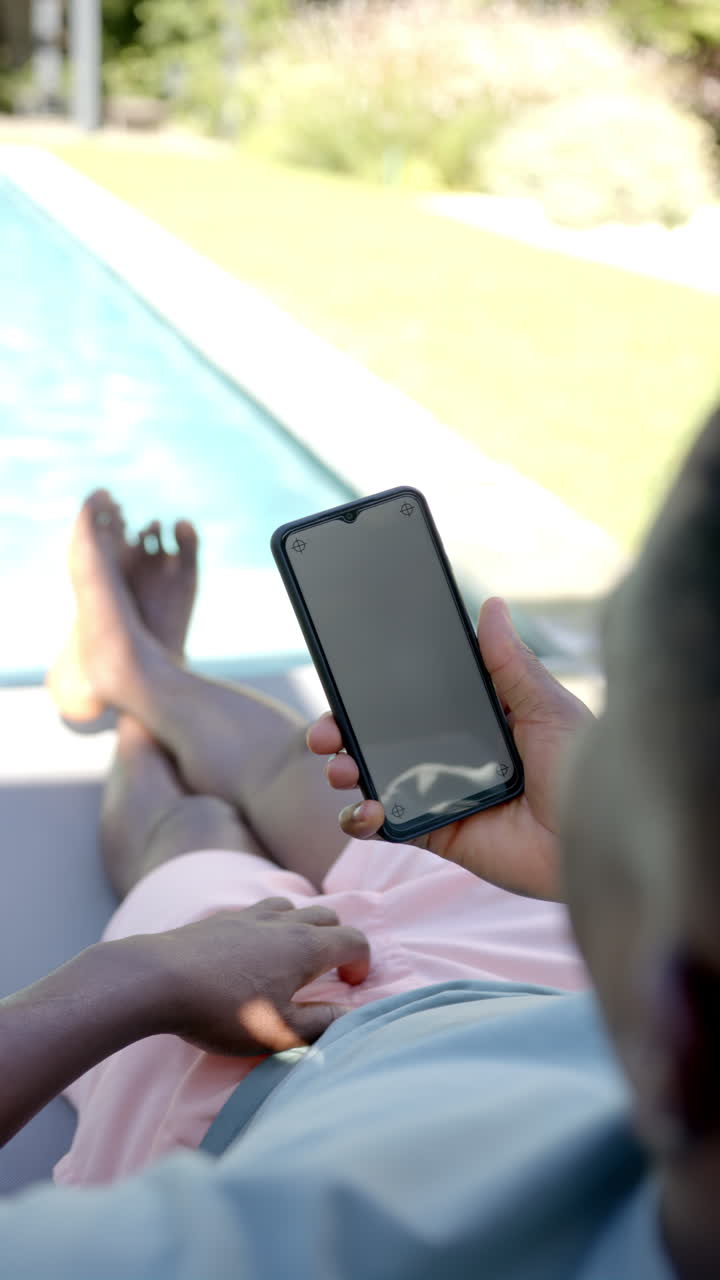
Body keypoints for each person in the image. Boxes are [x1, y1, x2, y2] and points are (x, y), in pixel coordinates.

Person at [1, 395, 718, 1277]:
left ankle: (131, 698)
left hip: (283, 1061)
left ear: (683, 1025)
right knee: (300, 770)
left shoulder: (230, 1247)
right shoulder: (648, 954)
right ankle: (146, 671)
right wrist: (591, 861)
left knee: (195, 834)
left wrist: (147, 976)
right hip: (551, 969)